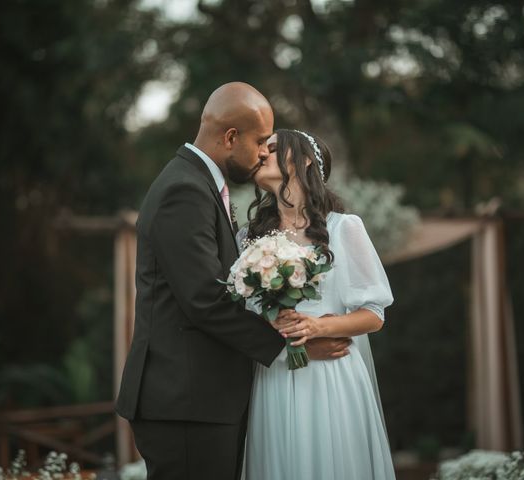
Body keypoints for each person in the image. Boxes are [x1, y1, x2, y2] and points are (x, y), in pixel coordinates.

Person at [115, 83, 350, 480]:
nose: (263, 152)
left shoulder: (198, 185)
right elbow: (205, 299)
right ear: (229, 137)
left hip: (199, 401)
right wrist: (291, 350)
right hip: (187, 403)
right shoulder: (184, 191)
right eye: (260, 142)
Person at [239, 128, 396, 480]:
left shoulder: (344, 229)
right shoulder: (248, 238)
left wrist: (317, 327)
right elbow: (240, 315)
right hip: (275, 373)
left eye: (274, 146)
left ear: (305, 160)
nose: (262, 152)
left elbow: (373, 315)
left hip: (331, 376)